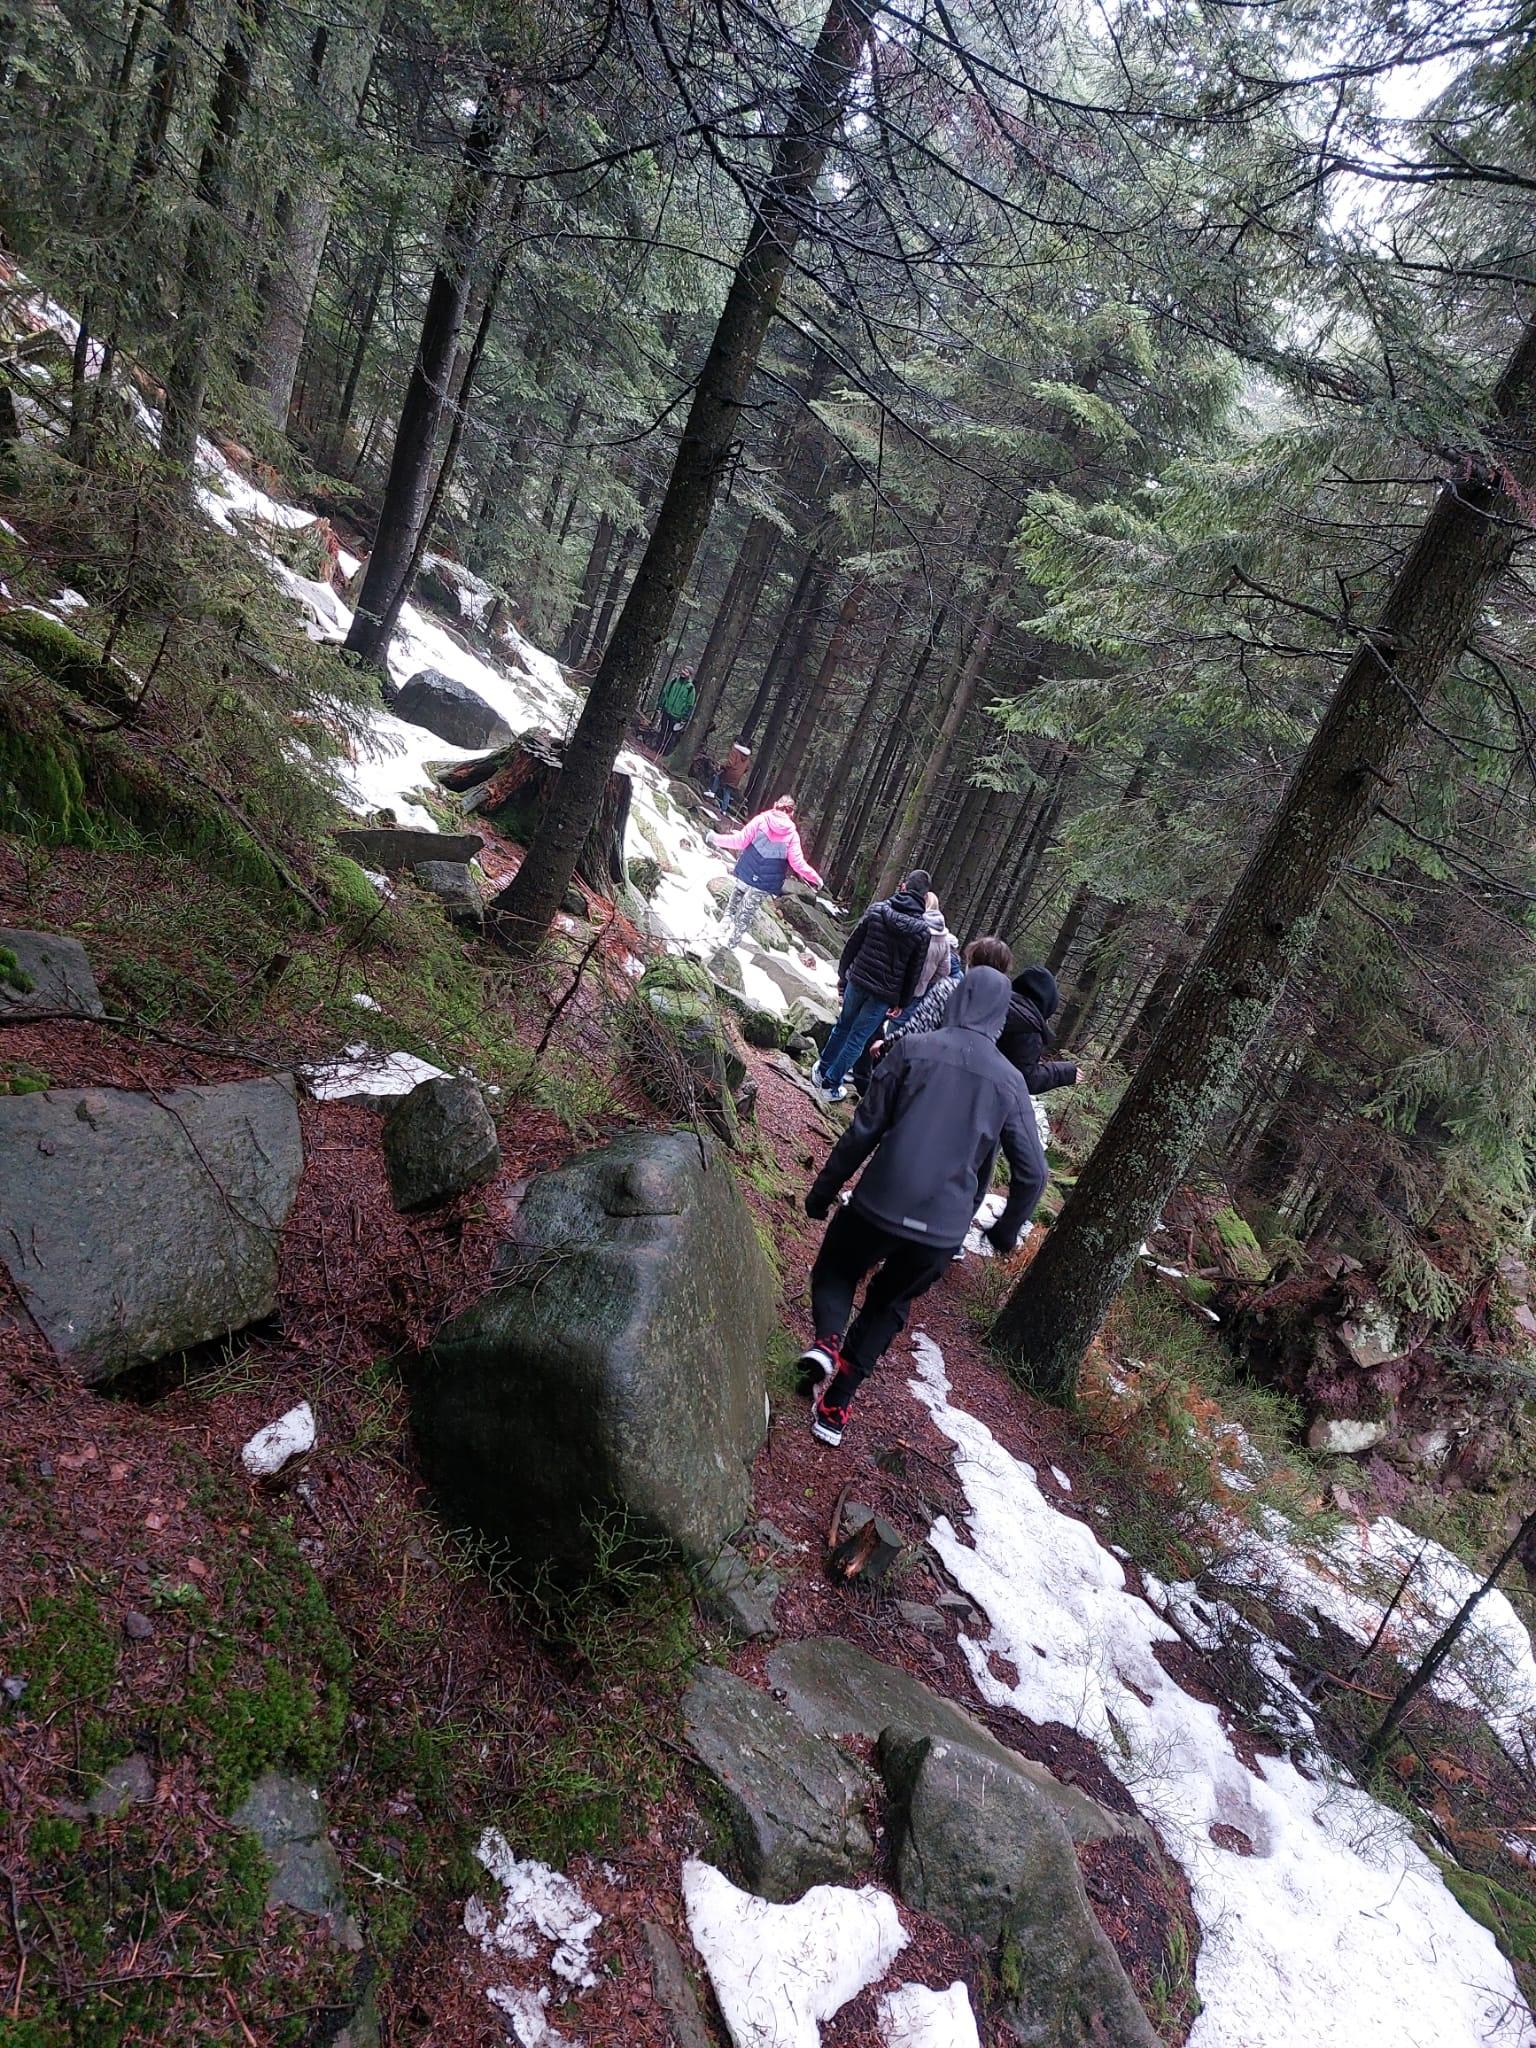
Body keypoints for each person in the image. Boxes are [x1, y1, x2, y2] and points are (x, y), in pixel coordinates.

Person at [795, 966, 1047, 1447]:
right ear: (1000, 1016)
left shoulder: (913, 1049)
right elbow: (1033, 1173)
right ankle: (835, 1407)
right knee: (888, 1307)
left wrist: (824, 1190)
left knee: (836, 1270)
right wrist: (1004, 1232)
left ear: (957, 999)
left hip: (879, 1201)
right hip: (941, 1231)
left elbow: (861, 1132)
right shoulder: (1011, 1083)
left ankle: (827, 1340)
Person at [811, 870, 934, 1102]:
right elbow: (913, 973)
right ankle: (830, 1084)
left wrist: (843, 974)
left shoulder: (878, 910)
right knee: (858, 1038)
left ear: (904, 886)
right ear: (925, 897)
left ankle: (821, 1071)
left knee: (843, 1026)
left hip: (858, 980)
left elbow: (852, 944)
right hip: (883, 995)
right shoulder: (922, 931)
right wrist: (903, 1002)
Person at [848, 891, 954, 1094]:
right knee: (896, 1038)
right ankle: (881, 1084)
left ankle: (863, 1076)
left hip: (894, 987)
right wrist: (925, 982)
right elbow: (944, 971)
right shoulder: (943, 937)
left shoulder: (914, 927)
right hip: (915, 996)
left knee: (874, 1032)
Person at [709, 795, 822, 946]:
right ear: (792, 813)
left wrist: (715, 838)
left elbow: (739, 841)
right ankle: (730, 945)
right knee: (746, 913)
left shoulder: (761, 820)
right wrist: (815, 878)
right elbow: (798, 864)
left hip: (746, 872)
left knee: (734, 902)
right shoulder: (791, 835)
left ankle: (719, 932)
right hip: (764, 883)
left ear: (775, 805)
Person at [999, 965, 1081, 1096]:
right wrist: (1064, 1072)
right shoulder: (1028, 1029)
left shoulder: (995, 1005)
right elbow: (1025, 1079)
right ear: (1047, 1004)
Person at [653, 667, 697, 755]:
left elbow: (690, 705)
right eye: (683, 670)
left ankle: (665, 753)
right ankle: (657, 749)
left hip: (677, 716)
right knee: (662, 730)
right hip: (667, 710)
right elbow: (665, 693)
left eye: (686, 671)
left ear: (689, 675)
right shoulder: (674, 681)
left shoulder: (690, 689)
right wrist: (660, 706)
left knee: (671, 736)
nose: (683, 672)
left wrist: (684, 718)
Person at [710, 741, 752, 815]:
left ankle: (712, 792)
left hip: (729, 773)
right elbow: (747, 768)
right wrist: (739, 772)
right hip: (736, 778)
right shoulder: (747, 758)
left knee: (718, 777)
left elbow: (730, 764)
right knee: (727, 791)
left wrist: (722, 766)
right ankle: (724, 810)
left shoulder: (735, 751)